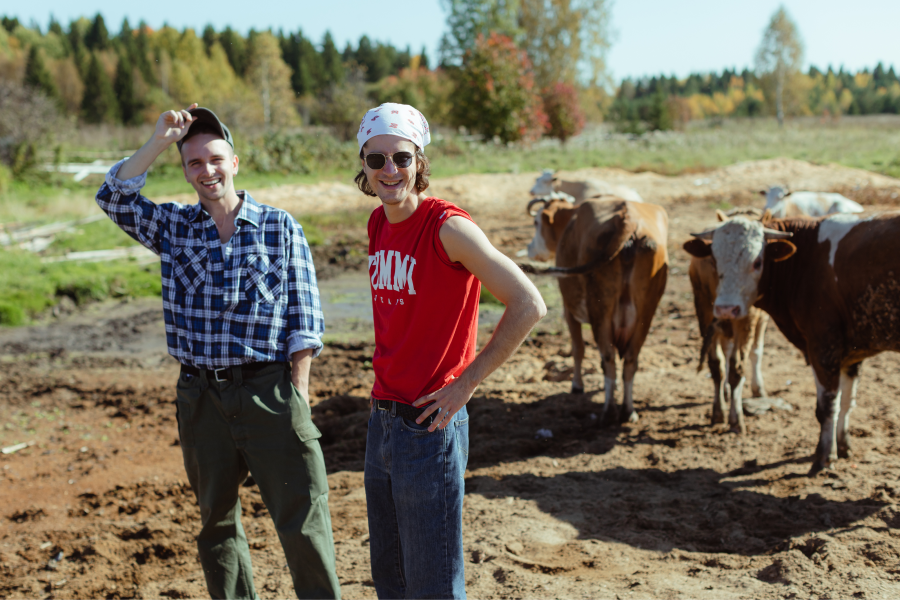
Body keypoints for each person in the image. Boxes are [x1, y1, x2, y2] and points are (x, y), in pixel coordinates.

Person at [96, 104, 341, 600]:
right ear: (186, 172)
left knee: (303, 518)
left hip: (270, 390)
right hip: (201, 396)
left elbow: (305, 318)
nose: (207, 171)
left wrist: (297, 392)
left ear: (235, 163)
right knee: (217, 524)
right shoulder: (174, 227)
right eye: (194, 163)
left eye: (215, 159)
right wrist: (160, 141)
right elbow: (114, 196)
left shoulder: (279, 227)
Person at [356, 103, 547, 599]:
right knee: (391, 580)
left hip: (429, 425)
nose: (389, 170)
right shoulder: (378, 223)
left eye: (401, 157)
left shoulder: (448, 228)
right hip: (382, 422)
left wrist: (466, 385)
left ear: (419, 161)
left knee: (434, 587)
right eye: (376, 159)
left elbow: (529, 303)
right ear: (364, 166)